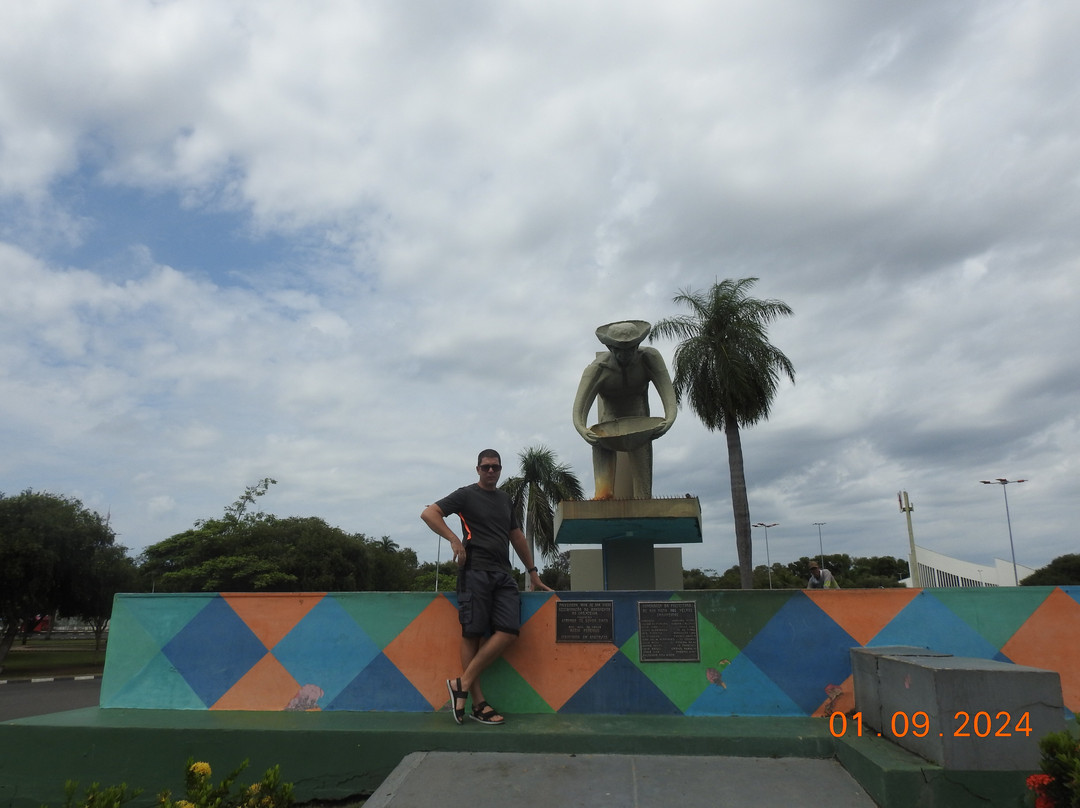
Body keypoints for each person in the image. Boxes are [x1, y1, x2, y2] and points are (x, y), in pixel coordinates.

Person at [421, 449, 551, 726]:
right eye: (486, 467)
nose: (491, 471)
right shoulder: (466, 494)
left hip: (503, 575)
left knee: (508, 631)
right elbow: (429, 513)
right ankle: (478, 703)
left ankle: (461, 683)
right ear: (477, 469)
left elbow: (516, 537)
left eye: (496, 467)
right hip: (474, 572)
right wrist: (455, 540)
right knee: (472, 634)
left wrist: (533, 573)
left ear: (501, 470)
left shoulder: (505, 499)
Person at [572, 320, 678, 499]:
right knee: (598, 442)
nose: (625, 355)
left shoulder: (649, 358)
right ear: (610, 348)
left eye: (630, 349)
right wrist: (583, 430)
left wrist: (669, 419)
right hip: (610, 418)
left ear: (637, 345)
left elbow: (667, 392)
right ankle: (602, 495)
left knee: (643, 486)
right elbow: (579, 410)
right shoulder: (597, 369)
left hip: (639, 416)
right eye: (619, 350)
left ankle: (643, 500)